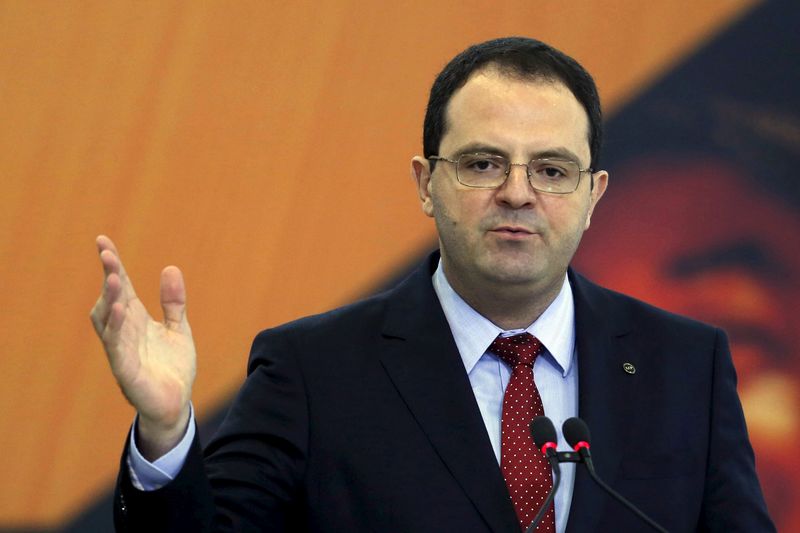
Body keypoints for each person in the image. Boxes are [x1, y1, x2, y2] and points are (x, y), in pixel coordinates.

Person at [91, 37, 775, 532]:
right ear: (426, 183)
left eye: (552, 170)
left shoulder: (685, 365)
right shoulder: (314, 371)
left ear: (594, 194)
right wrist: (166, 430)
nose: (516, 193)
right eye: (482, 163)